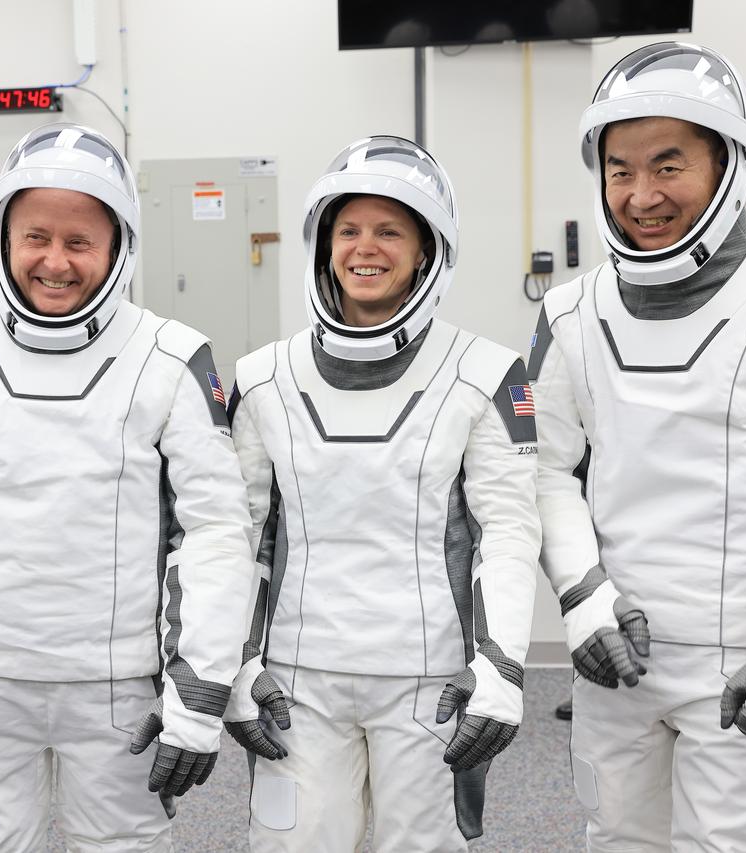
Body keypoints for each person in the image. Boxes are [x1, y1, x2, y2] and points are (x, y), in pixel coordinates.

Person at [0, 122, 255, 852]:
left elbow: (214, 535)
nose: (56, 261)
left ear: (119, 249)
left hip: (119, 694)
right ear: (3, 235)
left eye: (80, 243)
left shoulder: (172, 357)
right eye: (37, 236)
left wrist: (200, 691)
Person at [531, 41, 746, 851]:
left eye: (669, 166)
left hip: (742, 667)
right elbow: (543, 471)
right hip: (612, 656)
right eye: (620, 170)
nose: (641, 194)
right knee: (616, 837)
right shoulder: (571, 313)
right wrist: (583, 595)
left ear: (729, 164)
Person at [224, 135, 541, 852]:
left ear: (428, 250)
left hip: (430, 680)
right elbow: (236, 536)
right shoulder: (263, 378)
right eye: (350, 230)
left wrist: (501, 665)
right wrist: (233, 662)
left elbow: (510, 529)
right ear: (325, 245)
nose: (366, 248)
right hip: (296, 679)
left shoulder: (485, 374)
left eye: (390, 230)